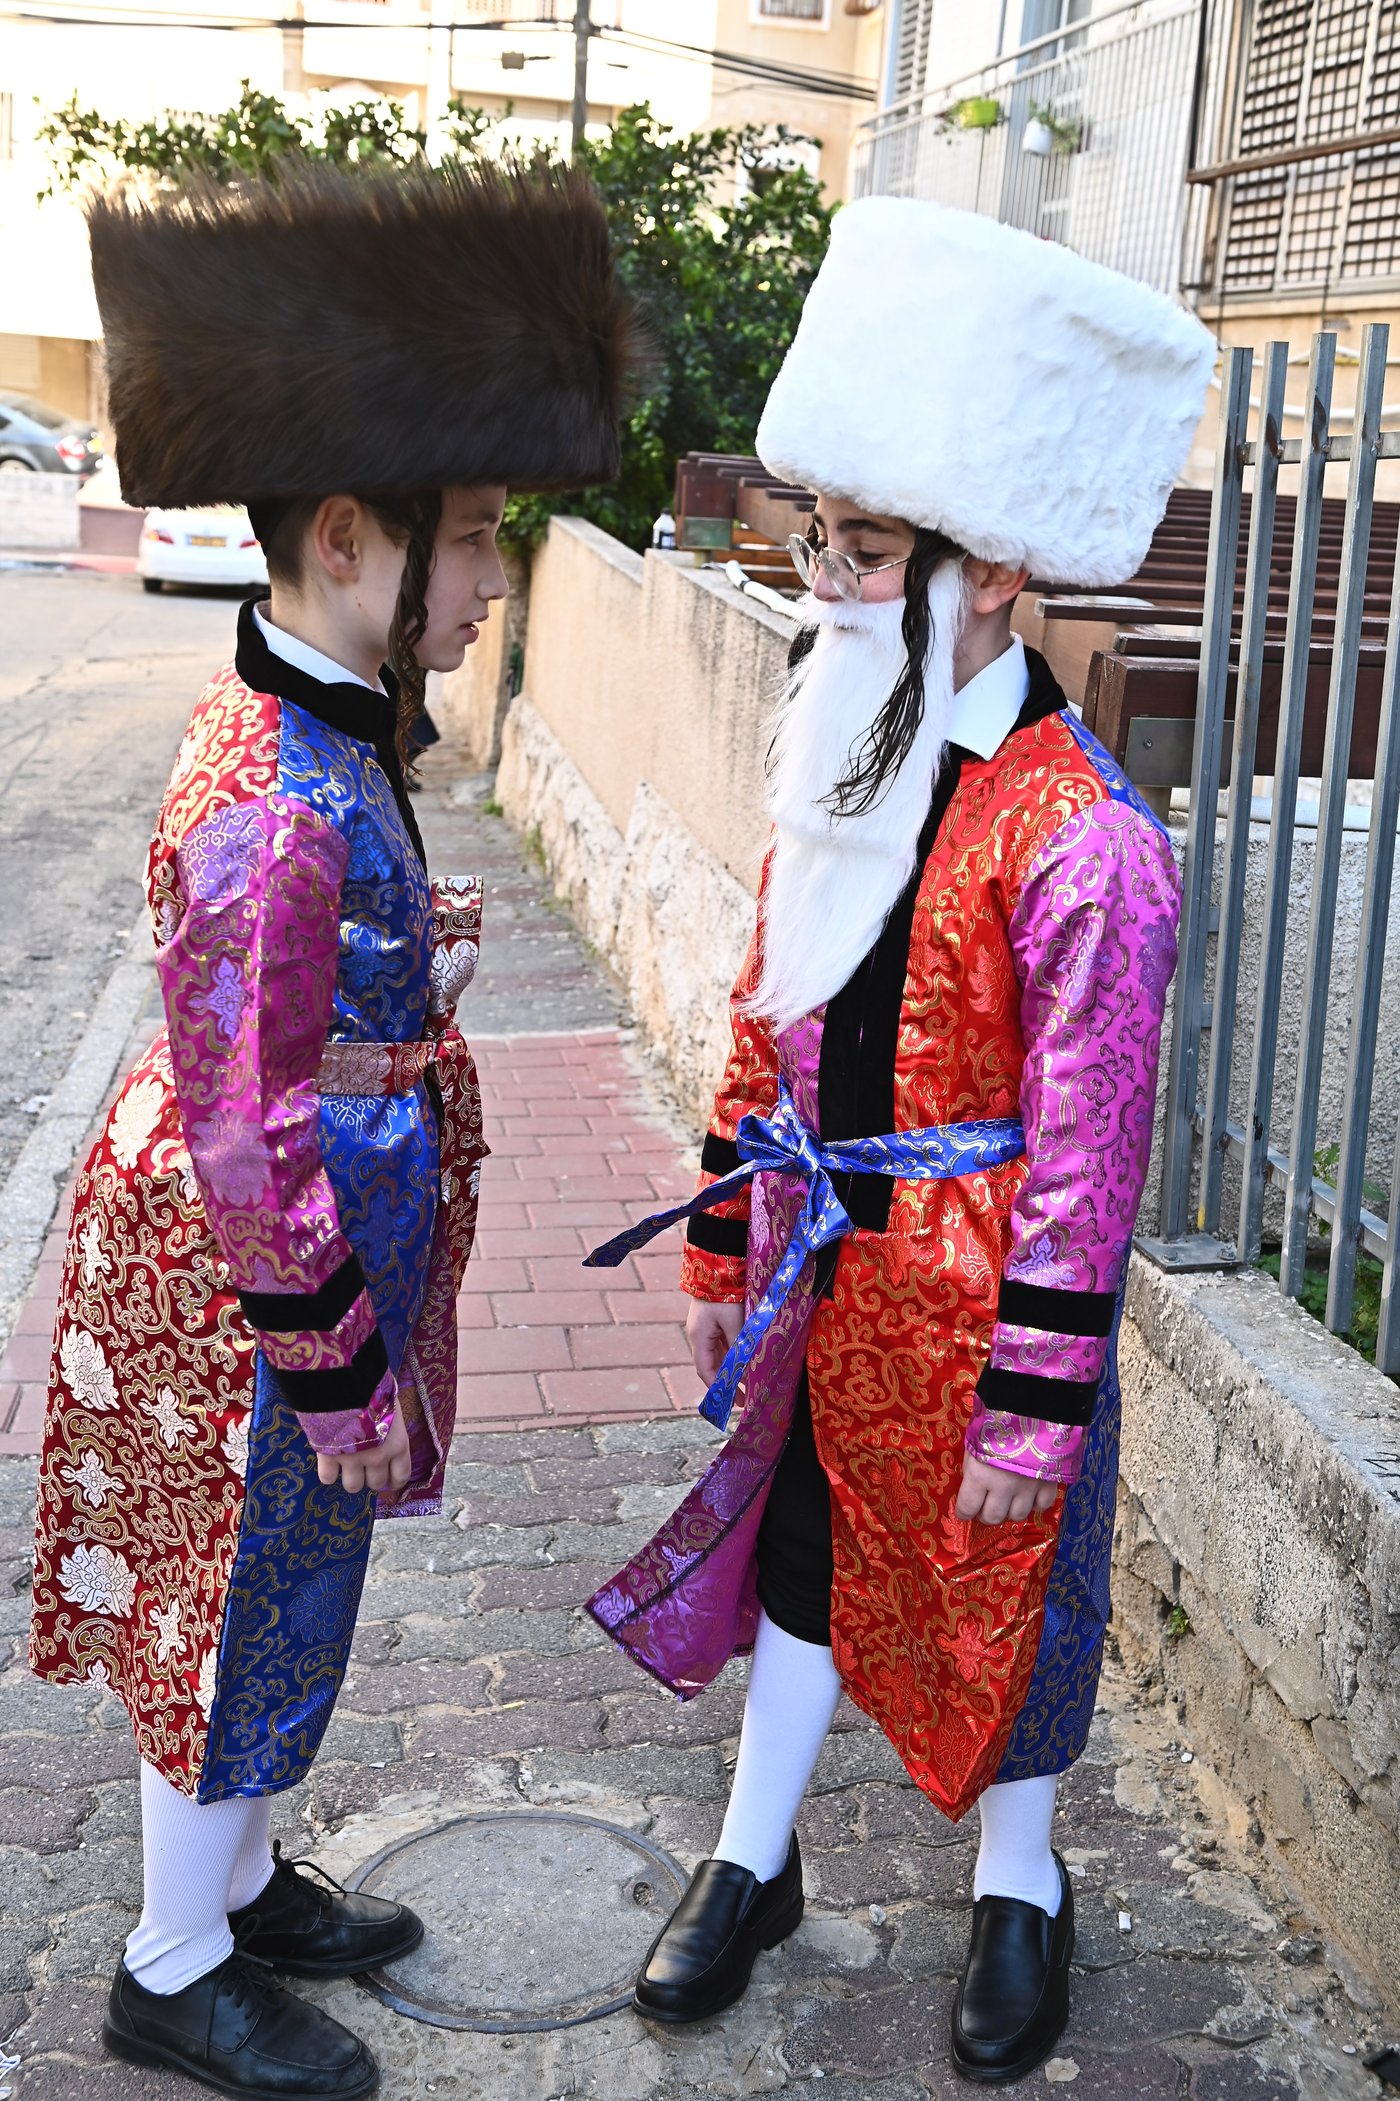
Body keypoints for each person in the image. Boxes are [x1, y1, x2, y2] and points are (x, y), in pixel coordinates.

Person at [584, 199, 1214, 2084]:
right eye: (818, 542)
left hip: (985, 1293)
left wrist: (1037, 1403)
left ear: (997, 569)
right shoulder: (835, 750)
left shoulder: (1085, 837)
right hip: (820, 1260)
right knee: (801, 1541)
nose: (825, 585)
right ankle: (751, 1851)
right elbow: (762, 1000)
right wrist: (717, 1241)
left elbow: (1096, 1157)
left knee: (1012, 1579)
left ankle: (1022, 1880)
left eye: (867, 551)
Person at [29, 159, 635, 2101]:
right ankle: (168, 1955)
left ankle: (248, 1873)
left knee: (291, 1579)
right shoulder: (280, 806)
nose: (491, 586)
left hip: (285, 1227)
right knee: (230, 1585)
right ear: (351, 535)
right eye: (470, 542)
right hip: (247, 1272)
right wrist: (342, 1359)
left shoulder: (323, 741)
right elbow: (250, 1134)